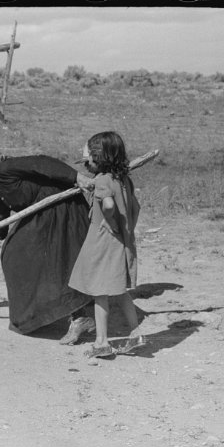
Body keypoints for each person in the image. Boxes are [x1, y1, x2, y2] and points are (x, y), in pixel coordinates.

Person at [0, 144, 97, 342]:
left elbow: (42, 162)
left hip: (64, 211)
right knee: (13, 254)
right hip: (46, 216)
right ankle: (37, 315)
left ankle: (80, 317)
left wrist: (77, 178)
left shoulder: (6, 168)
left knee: (49, 258)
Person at [68, 132, 144, 358]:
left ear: (98, 158)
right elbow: (135, 207)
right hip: (120, 241)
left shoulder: (102, 180)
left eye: (89, 158)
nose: (86, 163)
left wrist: (110, 223)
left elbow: (108, 204)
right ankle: (136, 334)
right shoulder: (123, 180)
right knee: (120, 290)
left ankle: (102, 342)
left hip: (102, 243)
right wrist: (123, 228)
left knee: (100, 293)